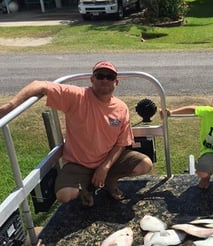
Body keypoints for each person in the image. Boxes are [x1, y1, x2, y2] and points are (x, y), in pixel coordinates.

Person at [0, 61, 153, 206]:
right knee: (64, 195)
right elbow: (39, 85)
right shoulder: (77, 96)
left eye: (110, 77)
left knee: (145, 164)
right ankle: (85, 190)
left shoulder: (121, 107)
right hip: (79, 163)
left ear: (116, 82)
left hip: (108, 160)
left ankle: (109, 181)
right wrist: (10, 107)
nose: (104, 80)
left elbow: (122, 143)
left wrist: (105, 168)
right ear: (92, 79)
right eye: (100, 76)